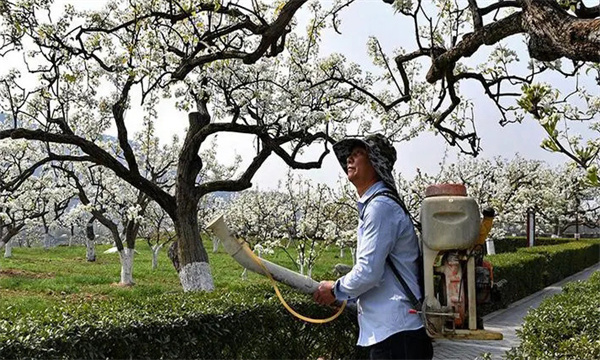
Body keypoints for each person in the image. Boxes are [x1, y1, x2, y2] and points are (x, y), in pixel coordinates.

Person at [313, 134, 433, 360]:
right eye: (350, 154)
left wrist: (334, 289)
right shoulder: (378, 205)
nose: (350, 159)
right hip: (394, 332)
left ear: (375, 164)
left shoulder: (380, 207)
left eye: (359, 154)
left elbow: (369, 272)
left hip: (396, 334)